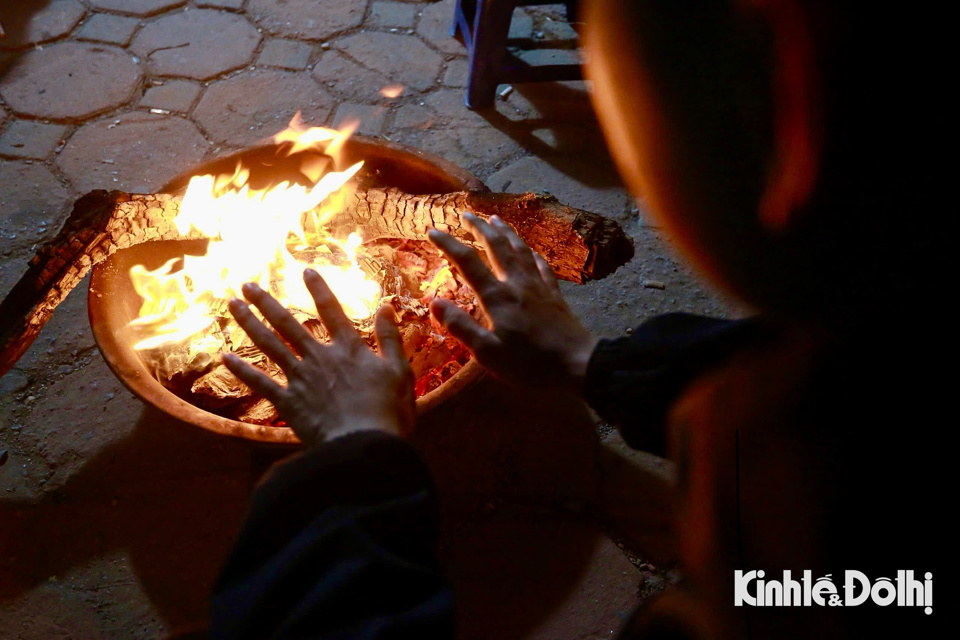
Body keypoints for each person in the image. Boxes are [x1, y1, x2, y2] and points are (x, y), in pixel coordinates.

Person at [210, 0, 946, 638]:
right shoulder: (837, 421)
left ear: (793, 86)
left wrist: (351, 460)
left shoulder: (819, 552)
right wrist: (597, 363)